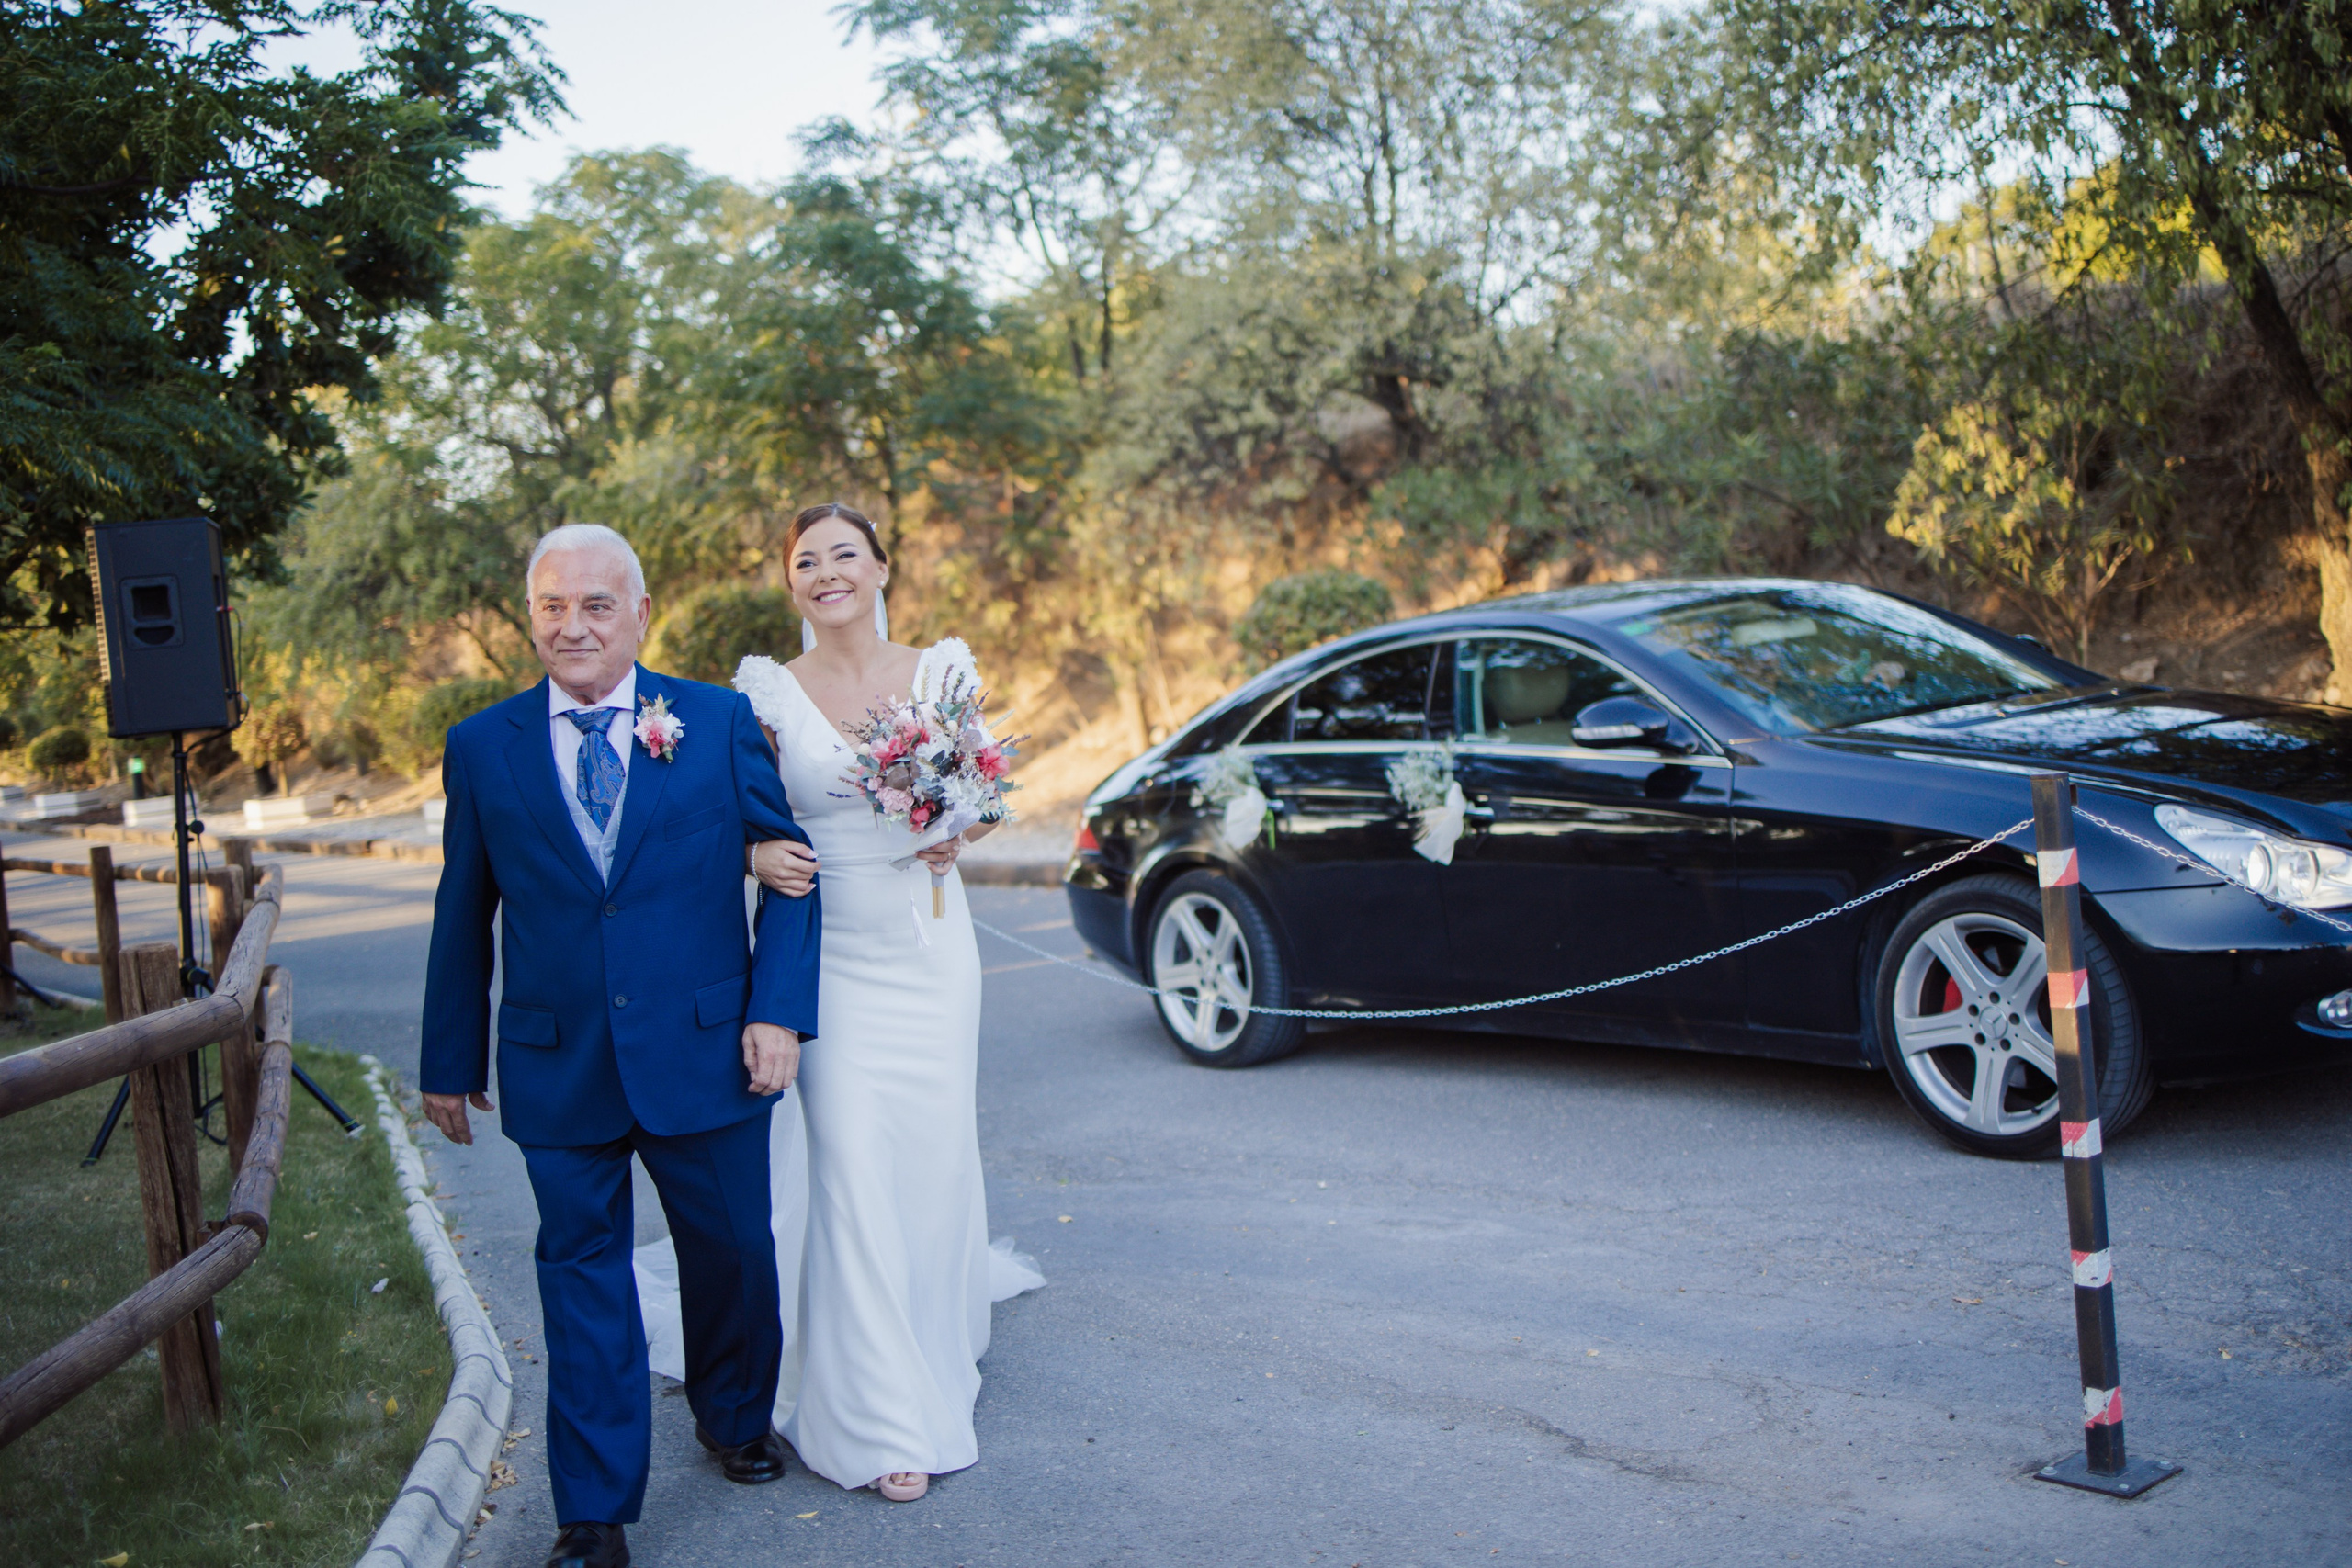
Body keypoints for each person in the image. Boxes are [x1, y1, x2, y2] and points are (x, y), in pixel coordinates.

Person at [419, 524, 821, 1568]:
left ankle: (734, 1418)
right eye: (553, 605)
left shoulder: (717, 720)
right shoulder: (482, 745)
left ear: (641, 615)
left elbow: (790, 873)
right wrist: (447, 1062)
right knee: (580, 1279)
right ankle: (591, 1513)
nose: (573, 624)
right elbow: (461, 910)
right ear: (531, 617)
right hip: (557, 1062)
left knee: (732, 1255)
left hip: (707, 1054)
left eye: (597, 604)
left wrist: (775, 1012)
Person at [635, 501, 1043, 1506]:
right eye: (805, 561)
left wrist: (959, 828)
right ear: (790, 584)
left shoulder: (943, 672)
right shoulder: (766, 694)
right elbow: (712, 815)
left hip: (931, 945)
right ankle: (878, 1411)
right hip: (826, 957)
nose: (826, 573)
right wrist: (748, 852)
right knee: (850, 1161)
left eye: (843, 555)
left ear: (880, 565)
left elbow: (987, 791)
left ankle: (936, 1326)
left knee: (930, 1154)